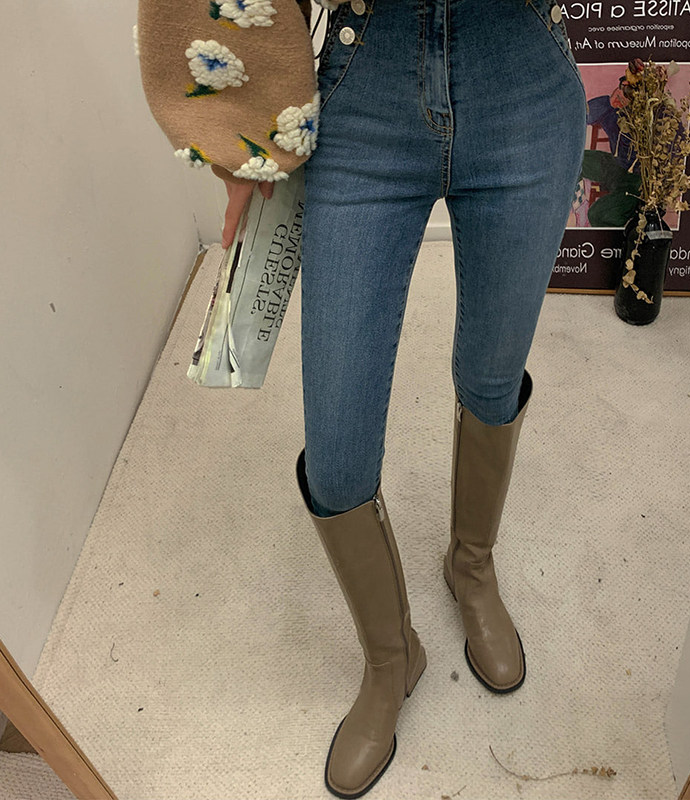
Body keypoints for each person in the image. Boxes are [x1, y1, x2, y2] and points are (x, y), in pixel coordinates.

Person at [136, 0, 587, 795]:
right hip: (367, 77)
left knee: (492, 377)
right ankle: (390, 657)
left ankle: (471, 566)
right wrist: (236, 139)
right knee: (337, 455)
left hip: (521, 75)